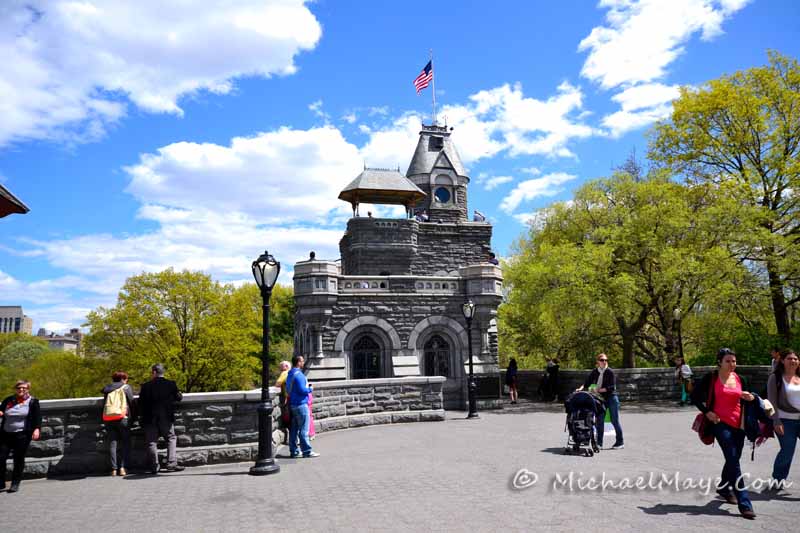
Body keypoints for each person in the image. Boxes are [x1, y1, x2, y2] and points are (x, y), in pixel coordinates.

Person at [691, 348, 757, 519]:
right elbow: (695, 396)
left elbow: (752, 398)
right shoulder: (711, 378)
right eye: (728, 361)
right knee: (733, 459)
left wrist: (750, 397)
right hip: (719, 423)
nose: (732, 364)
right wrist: (707, 412)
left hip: (739, 424)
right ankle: (745, 503)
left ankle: (723, 487)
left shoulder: (741, 379)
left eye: (734, 361)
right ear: (719, 362)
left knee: (734, 458)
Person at [139, 363, 184, 474]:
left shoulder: (146, 386)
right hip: (166, 416)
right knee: (170, 438)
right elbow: (179, 398)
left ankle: (154, 466)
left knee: (152, 442)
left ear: (154, 372)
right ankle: (171, 463)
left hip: (150, 418)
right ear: (162, 372)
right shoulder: (171, 384)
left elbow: (141, 403)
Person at [0, 380, 41, 493]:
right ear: (15, 389)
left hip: (22, 435)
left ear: (28, 389)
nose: (21, 390)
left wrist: (37, 429)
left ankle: (15, 483)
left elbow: (37, 417)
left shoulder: (32, 401)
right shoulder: (8, 400)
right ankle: (1, 483)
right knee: (1, 458)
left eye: (24, 388)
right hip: (5, 434)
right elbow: (2, 410)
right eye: (19, 387)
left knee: (18, 459)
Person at [767, 349, 800, 489]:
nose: (793, 361)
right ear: (782, 361)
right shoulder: (776, 378)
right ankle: (777, 480)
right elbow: (771, 401)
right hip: (785, 420)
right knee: (787, 451)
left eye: (795, 359)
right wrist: (776, 420)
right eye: (789, 358)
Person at [577, 354, 623, 450]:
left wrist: (598, 390)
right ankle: (599, 443)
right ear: (598, 361)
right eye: (602, 360)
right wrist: (580, 389)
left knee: (614, 420)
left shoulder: (610, 372)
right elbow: (587, 382)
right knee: (599, 420)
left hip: (611, 398)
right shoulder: (595, 371)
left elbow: (612, 387)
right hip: (601, 399)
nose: (604, 361)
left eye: (606, 360)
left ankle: (620, 442)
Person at [101, 371, 136, 477]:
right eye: (126, 379)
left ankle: (113, 469)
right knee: (125, 443)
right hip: (122, 418)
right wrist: (133, 417)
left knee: (112, 443)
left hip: (109, 418)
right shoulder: (126, 387)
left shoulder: (107, 389)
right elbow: (132, 403)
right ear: (123, 379)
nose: (126, 381)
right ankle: (122, 468)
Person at [286, 355, 319, 458]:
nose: (303, 363)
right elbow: (302, 390)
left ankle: (294, 451)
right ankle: (307, 451)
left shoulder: (290, 374)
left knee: (294, 430)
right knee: (304, 430)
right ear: (298, 362)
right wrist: (310, 389)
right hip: (301, 405)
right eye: (302, 361)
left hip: (293, 405)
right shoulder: (299, 375)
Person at [275, 361, 291, 443]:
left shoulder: (285, 373)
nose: (280, 369)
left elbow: (277, 383)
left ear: (286, 366)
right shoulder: (293, 373)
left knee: (289, 419)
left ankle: (292, 440)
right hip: (295, 398)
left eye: (281, 367)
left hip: (289, 399)